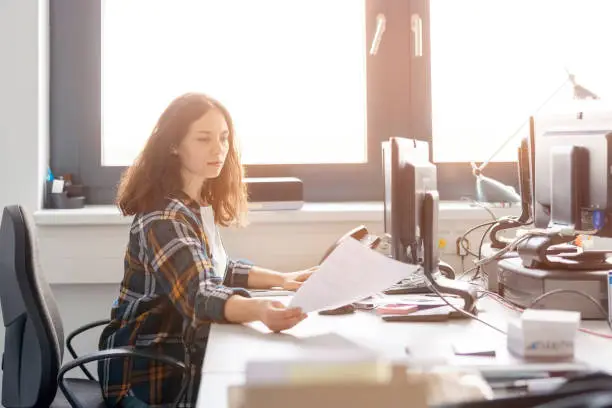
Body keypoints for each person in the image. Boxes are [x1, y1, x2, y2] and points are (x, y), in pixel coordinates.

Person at [97, 92, 314, 408]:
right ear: (174, 145)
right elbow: (201, 293)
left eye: (224, 138)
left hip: (177, 356)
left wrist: (284, 279)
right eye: (204, 139)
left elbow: (217, 267)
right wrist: (261, 312)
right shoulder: (164, 217)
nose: (219, 149)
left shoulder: (191, 205)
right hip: (145, 376)